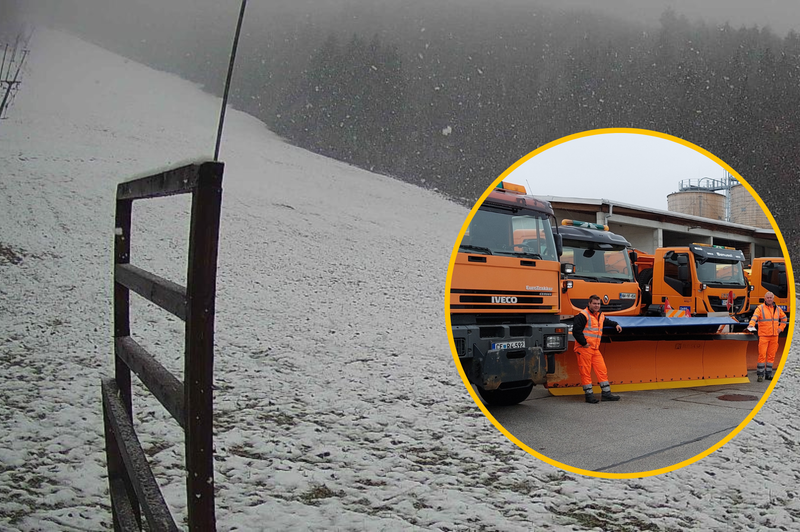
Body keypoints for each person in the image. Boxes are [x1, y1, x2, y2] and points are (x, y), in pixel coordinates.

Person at [572, 294, 622, 403]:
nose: (596, 305)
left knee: (602, 370)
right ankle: (589, 396)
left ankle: (606, 394)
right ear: (589, 304)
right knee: (585, 373)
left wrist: (616, 324)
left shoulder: (600, 315)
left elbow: (606, 321)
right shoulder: (583, 315)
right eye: (594, 303)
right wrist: (584, 343)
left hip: (594, 349)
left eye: (598, 304)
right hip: (584, 348)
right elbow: (576, 330)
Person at [747, 291, 788, 382]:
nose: (769, 299)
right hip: (764, 336)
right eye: (768, 298)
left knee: (771, 356)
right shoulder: (760, 308)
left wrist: (781, 328)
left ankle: (768, 374)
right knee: (762, 355)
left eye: (771, 298)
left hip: (774, 336)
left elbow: (784, 318)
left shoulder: (777, 309)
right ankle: (760, 375)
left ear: (773, 299)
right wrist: (751, 324)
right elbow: (755, 317)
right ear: (765, 299)